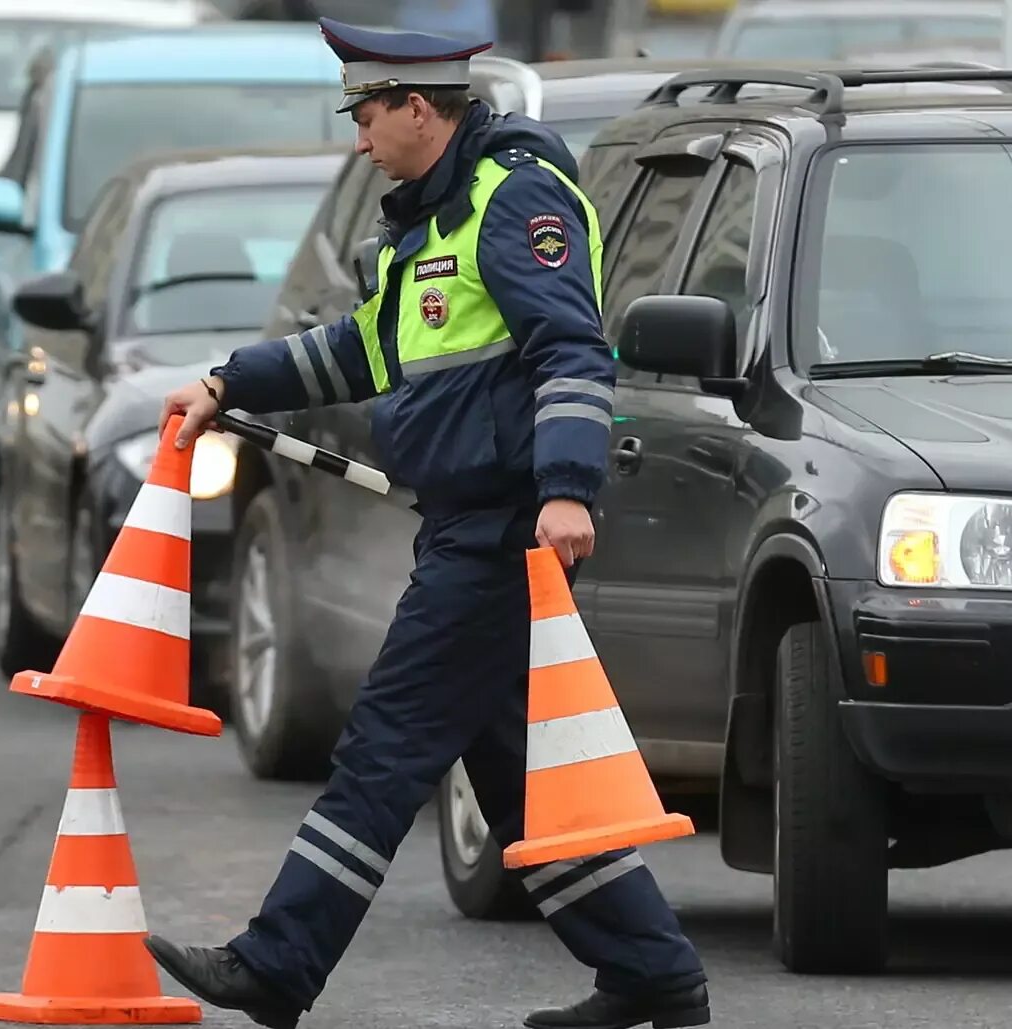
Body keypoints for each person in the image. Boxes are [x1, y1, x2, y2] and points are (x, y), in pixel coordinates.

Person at [145, 17, 710, 1029]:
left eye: (366, 114)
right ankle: (653, 976)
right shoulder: (423, 227)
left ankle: (278, 965)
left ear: (417, 106)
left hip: (502, 536)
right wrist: (229, 381)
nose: (358, 138)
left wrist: (567, 486)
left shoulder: (513, 196)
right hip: (463, 526)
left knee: (383, 749)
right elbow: (361, 352)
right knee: (524, 783)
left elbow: (573, 352)